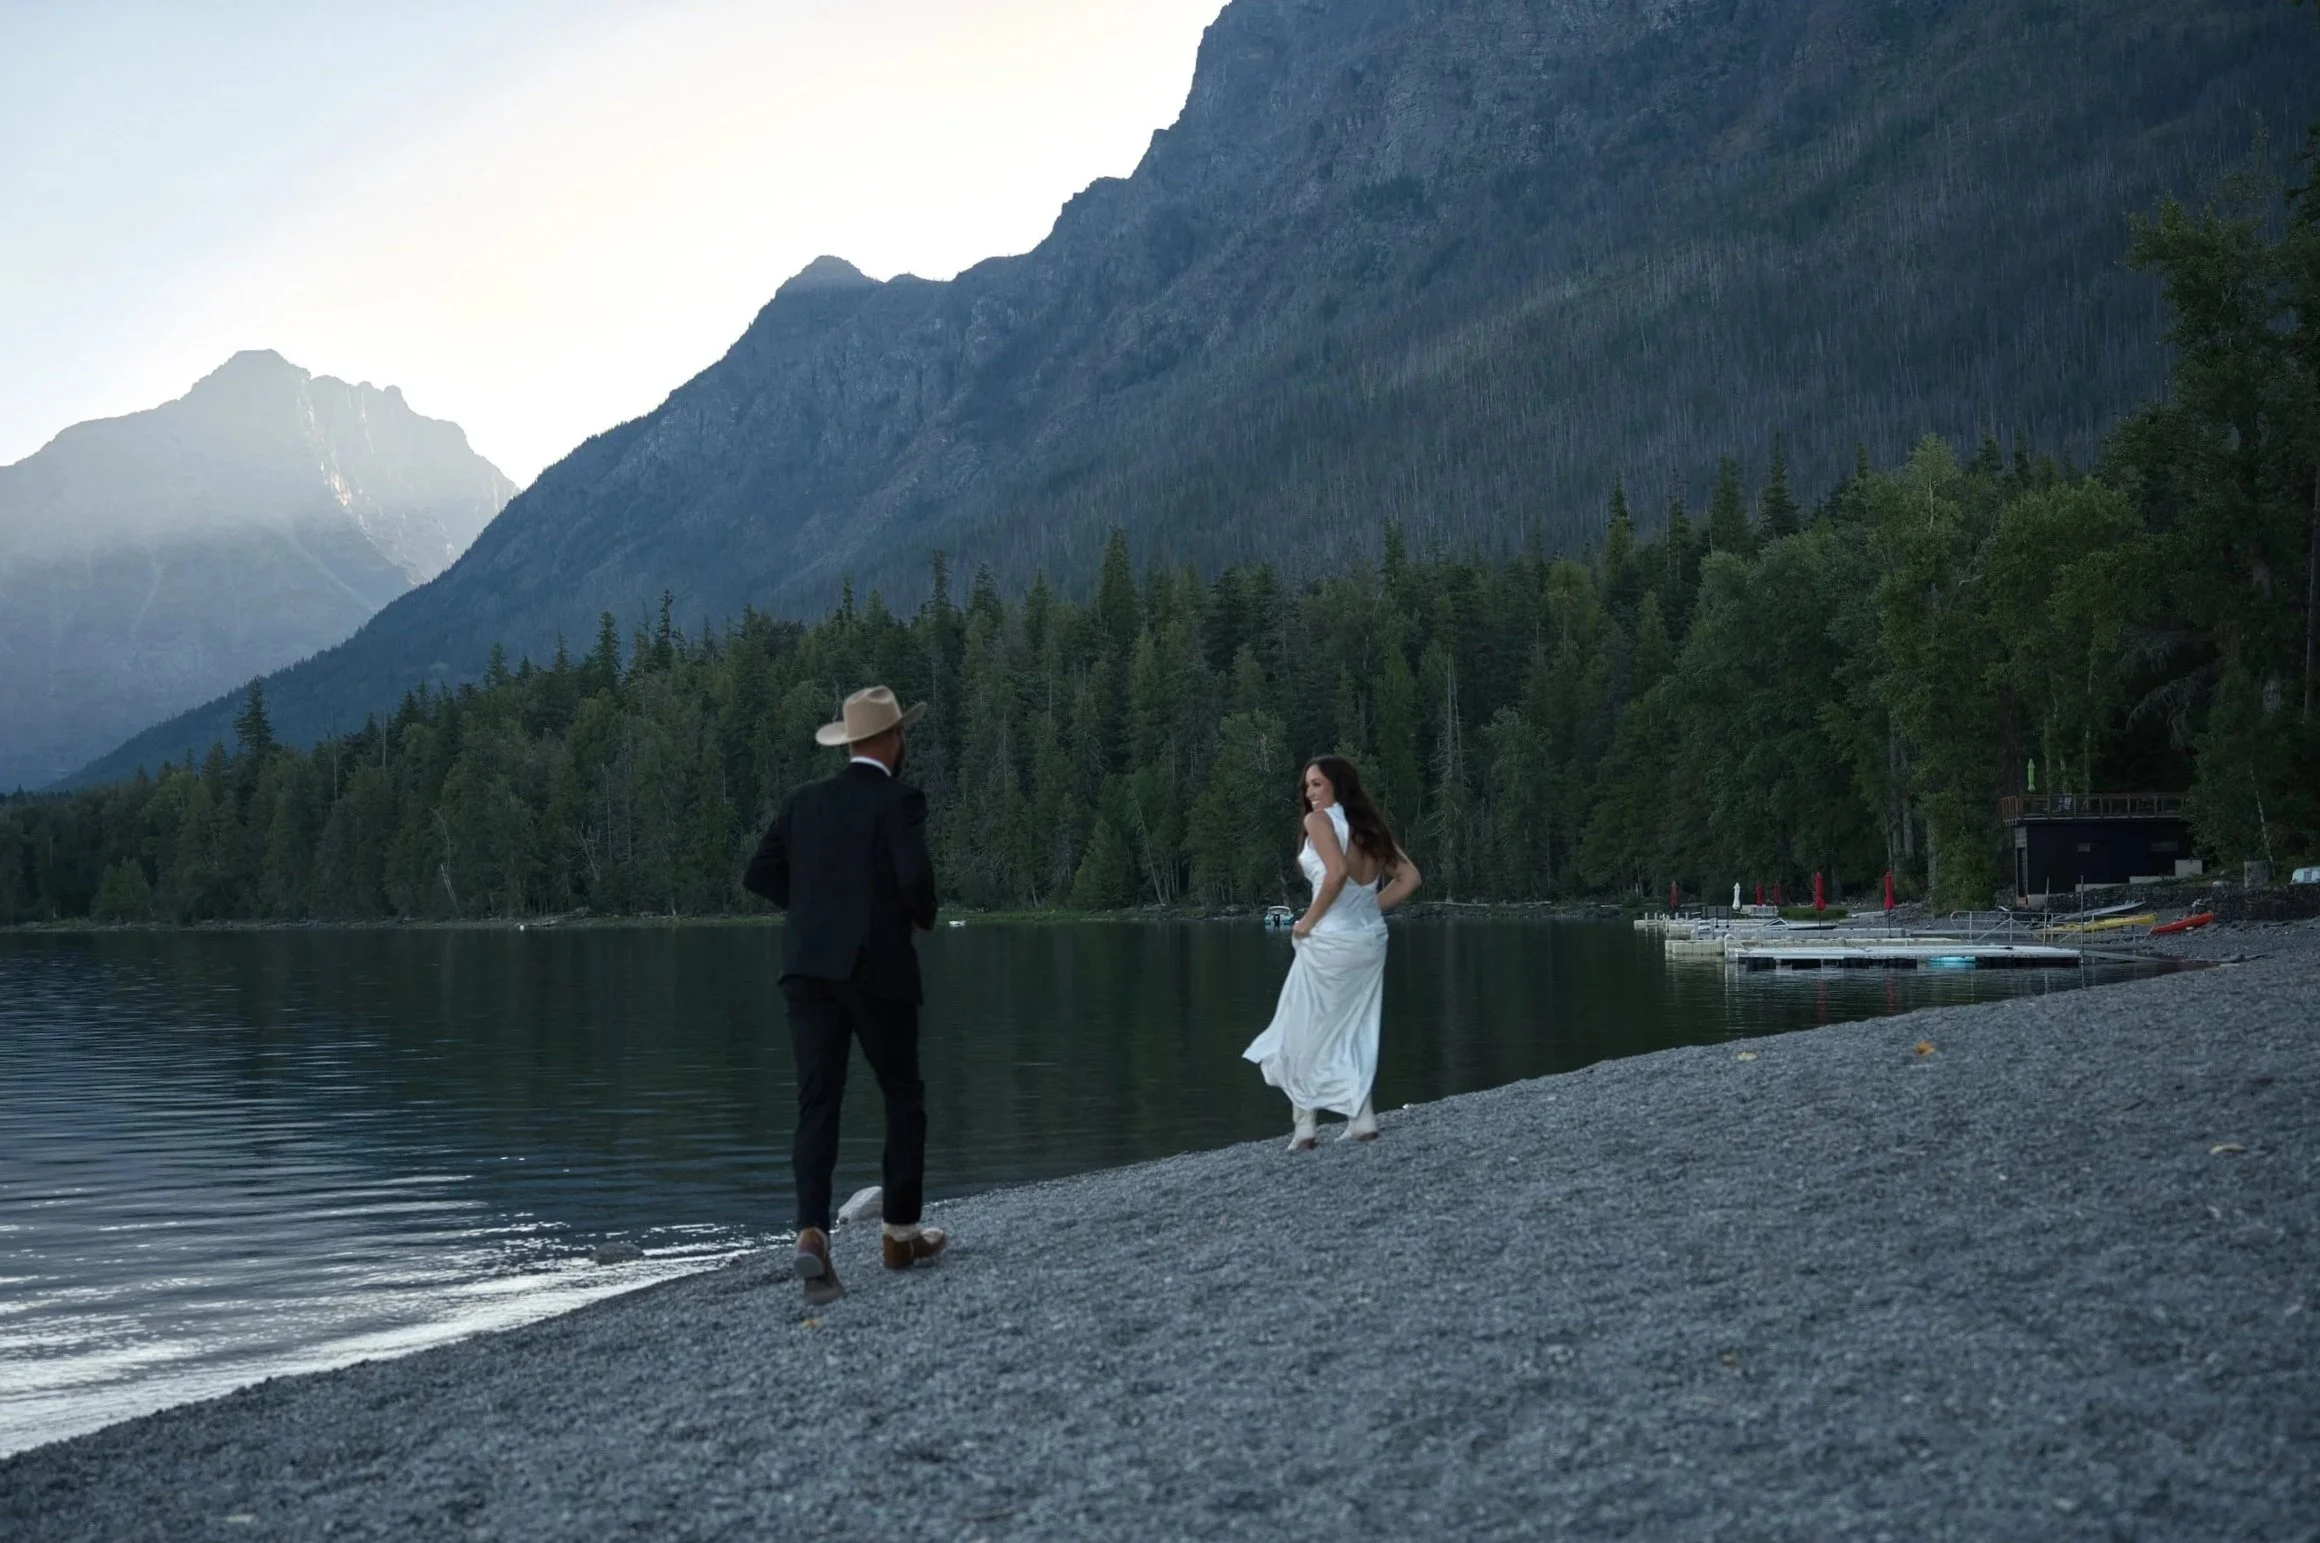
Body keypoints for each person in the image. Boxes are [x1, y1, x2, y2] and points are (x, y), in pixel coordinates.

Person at [743, 685, 946, 1305]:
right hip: (876, 967)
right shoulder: (899, 800)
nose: (903, 744)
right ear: (889, 741)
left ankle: (811, 1234)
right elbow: (914, 881)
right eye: (901, 735)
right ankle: (899, 1235)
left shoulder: (805, 803)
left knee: (817, 1103)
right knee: (901, 1094)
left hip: (806, 968)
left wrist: (811, 913)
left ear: (850, 742)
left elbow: (760, 872)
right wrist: (911, 917)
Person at [1242, 755, 1422, 1149]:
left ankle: (1305, 1126)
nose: (1310, 793)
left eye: (1317, 784)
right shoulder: (1368, 827)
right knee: (1353, 1027)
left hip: (1330, 941)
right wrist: (1366, 908)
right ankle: (1361, 1118)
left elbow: (1337, 872)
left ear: (1339, 784)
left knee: (1298, 1027)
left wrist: (1307, 921)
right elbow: (1409, 877)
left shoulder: (1319, 822)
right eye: (1307, 786)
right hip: (1369, 940)